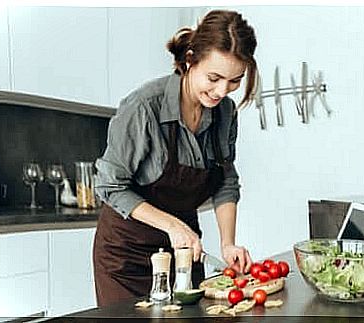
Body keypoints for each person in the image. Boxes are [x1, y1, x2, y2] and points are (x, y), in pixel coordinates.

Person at [92, 9, 258, 306]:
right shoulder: (145, 107)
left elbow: (225, 181)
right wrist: (172, 225)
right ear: (191, 59)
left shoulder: (225, 113)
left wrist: (228, 243)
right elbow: (110, 186)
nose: (222, 91)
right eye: (214, 77)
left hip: (183, 251)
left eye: (235, 80)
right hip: (127, 257)